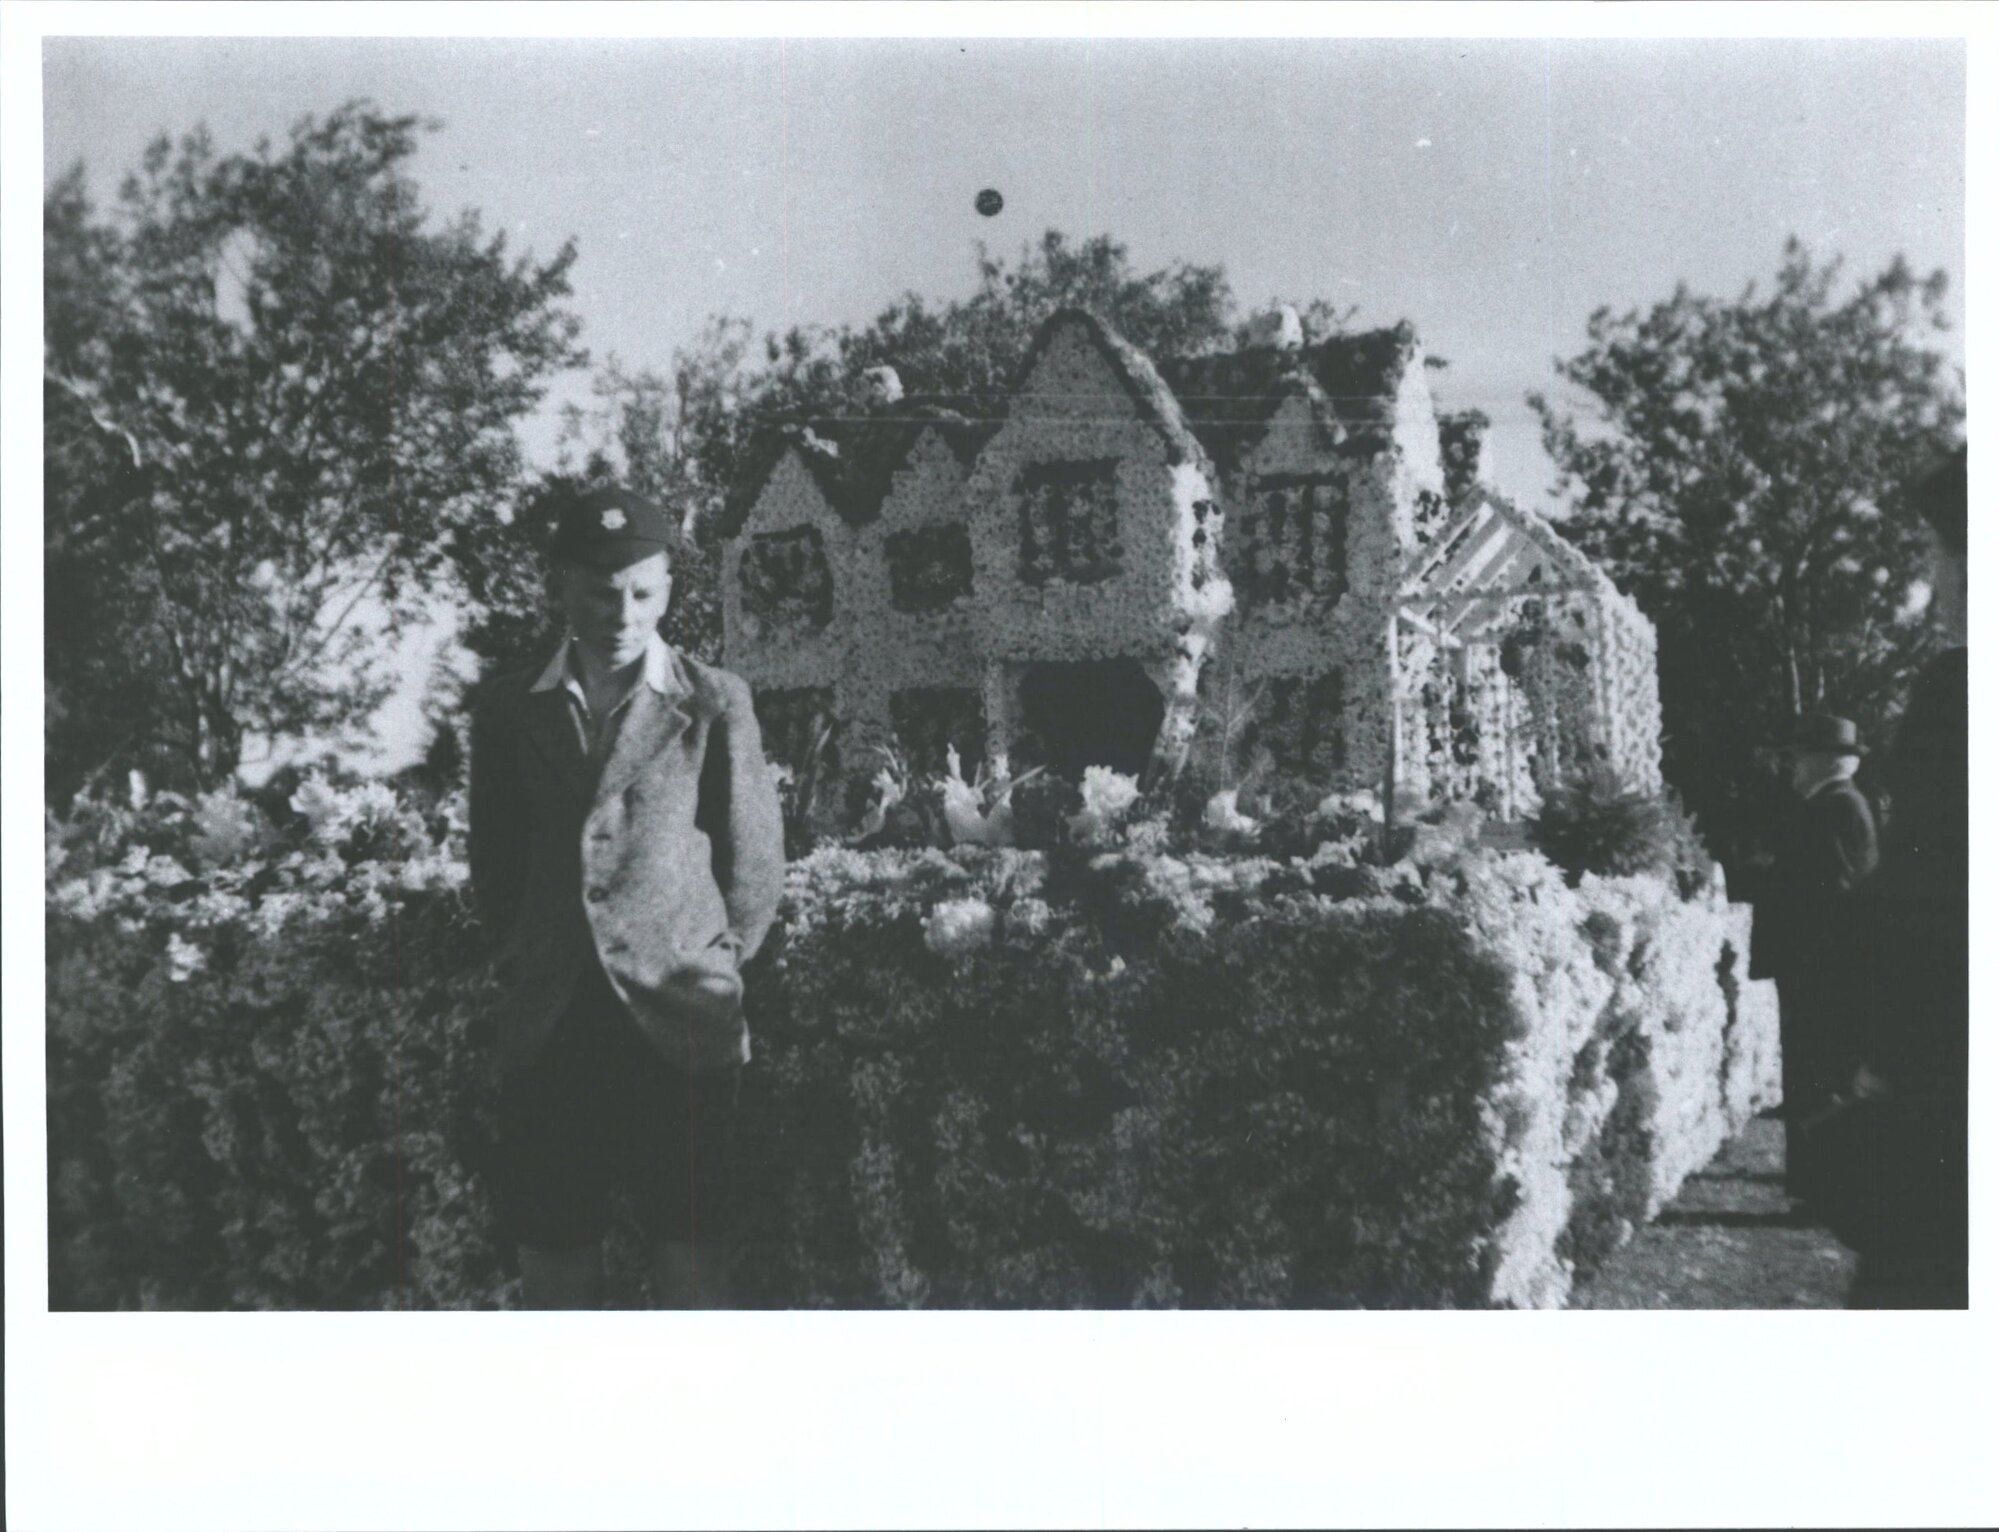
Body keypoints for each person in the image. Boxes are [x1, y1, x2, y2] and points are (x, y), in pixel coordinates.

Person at [467, 485, 785, 1309]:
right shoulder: (507, 709)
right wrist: (530, 957)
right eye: (602, 593)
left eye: (643, 592)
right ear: (560, 588)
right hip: (552, 1022)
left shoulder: (713, 700)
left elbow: (754, 870)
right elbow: (495, 866)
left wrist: (704, 965)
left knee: (690, 1258)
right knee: (556, 1256)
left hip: (679, 1022)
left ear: (669, 591)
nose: (622, 612)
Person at [1832, 445, 1968, 1308]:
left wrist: (1880, 1059)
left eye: (1940, 554)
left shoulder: (1959, 696)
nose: (1934, 579)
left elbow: (1923, 906)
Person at [1750, 712, 1879, 1198]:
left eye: (1800, 757)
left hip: (1823, 972)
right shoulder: (1836, 804)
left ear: (1826, 761)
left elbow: (1832, 896)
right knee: (1814, 1074)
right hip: (1821, 969)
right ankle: (1815, 1184)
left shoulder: (1837, 807)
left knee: (1819, 1075)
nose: (1792, 767)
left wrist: (1809, 963)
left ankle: (1822, 1187)